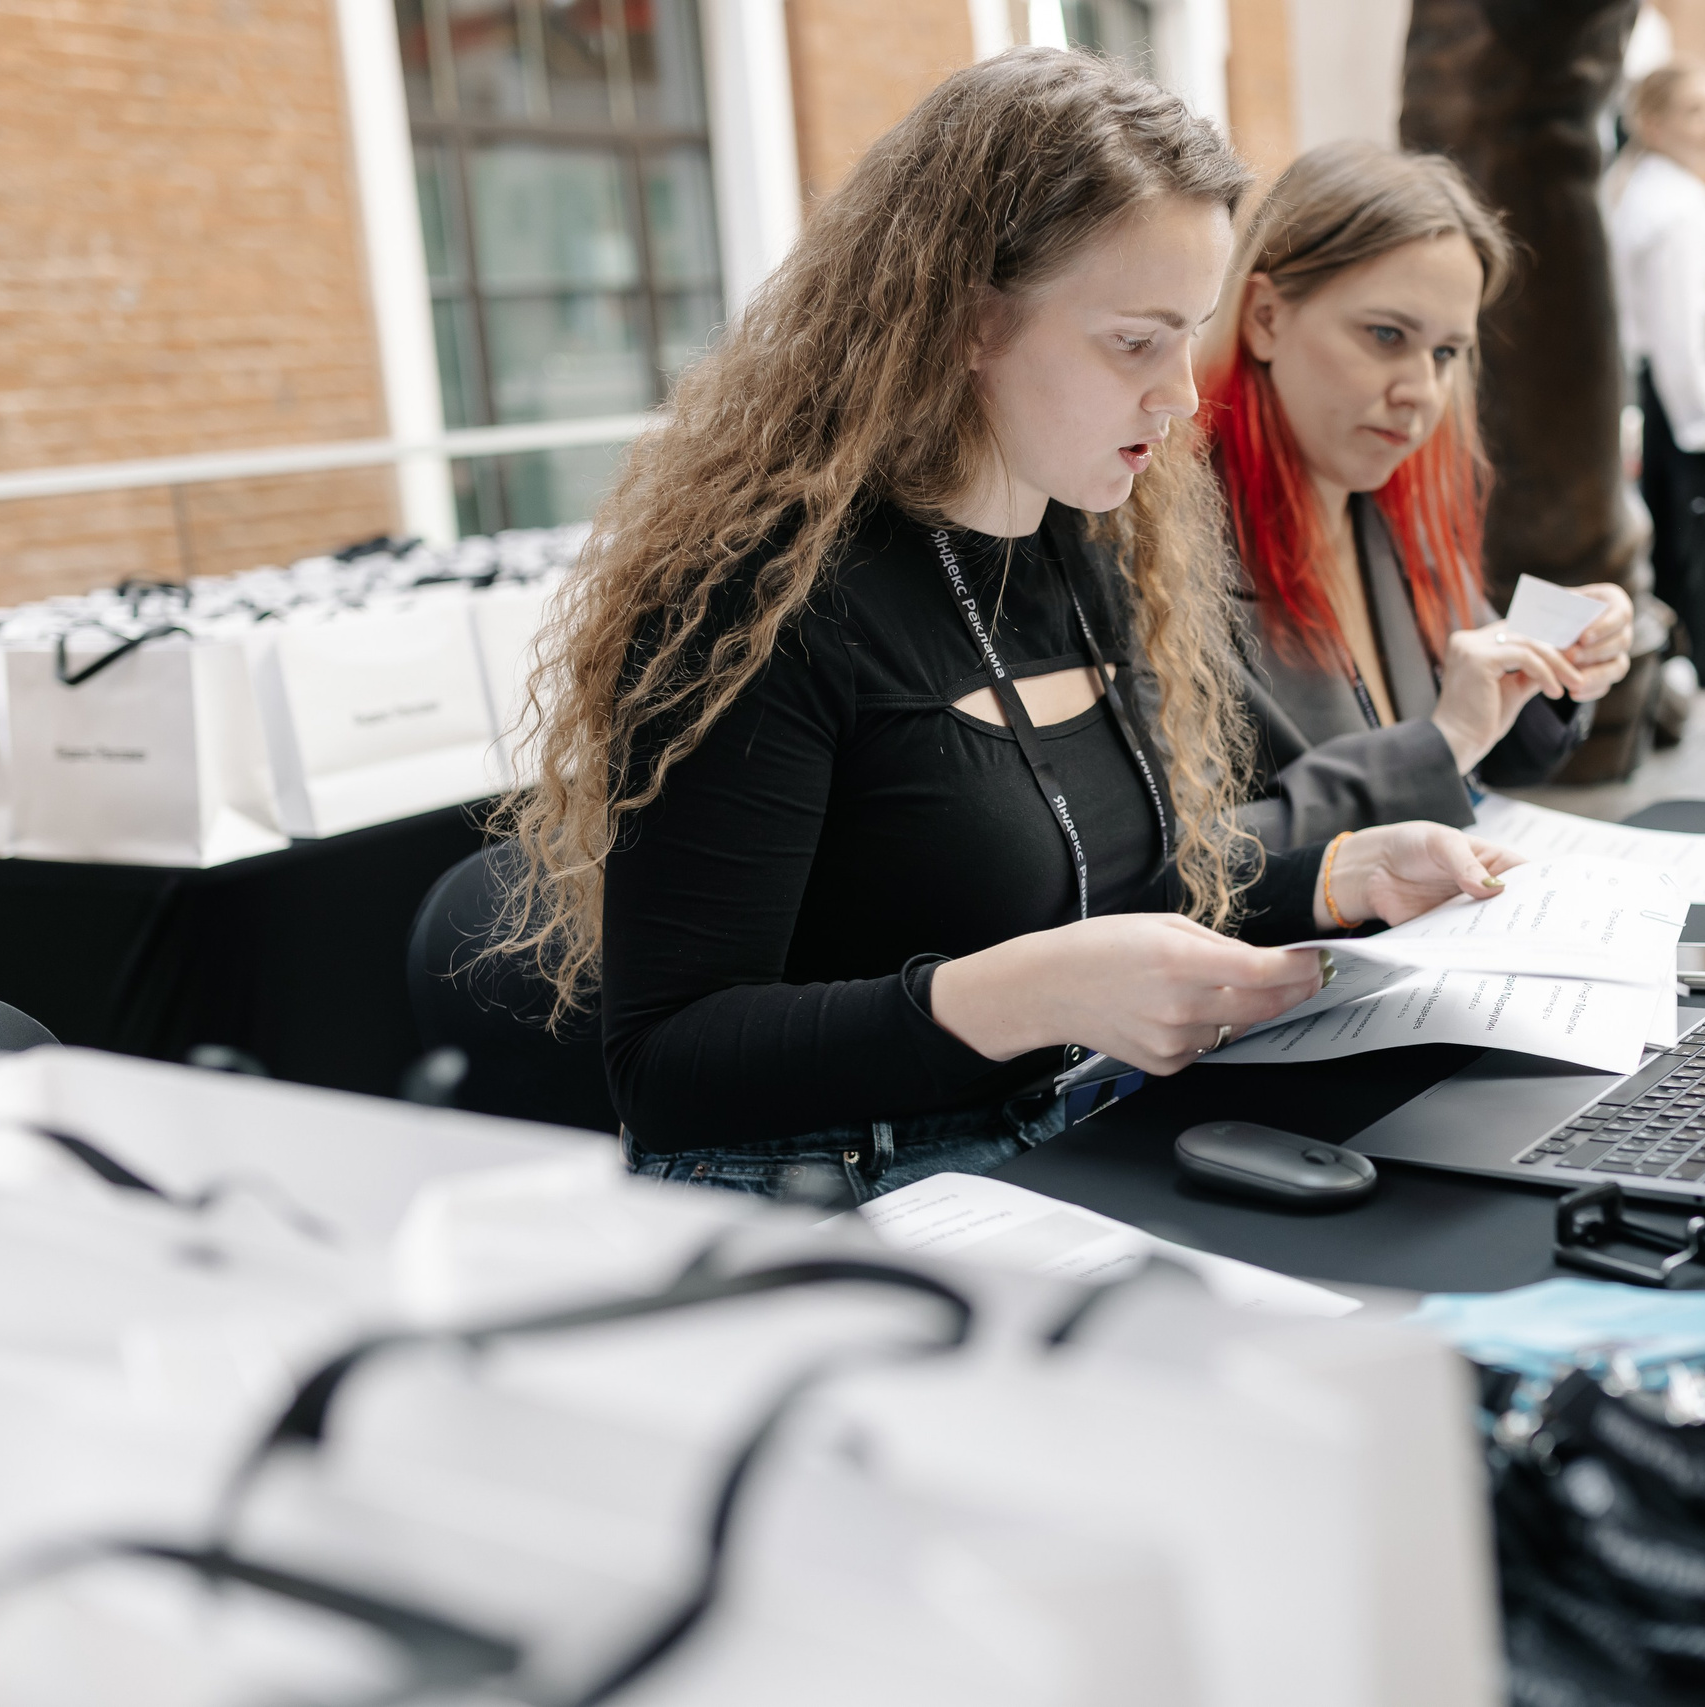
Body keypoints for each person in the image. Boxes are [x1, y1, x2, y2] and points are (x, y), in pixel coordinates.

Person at [493, 51, 1519, 1202]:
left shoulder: (1085, 539)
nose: (1183, 391)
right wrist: (1014, 999)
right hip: (851, 1209)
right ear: (973, 322)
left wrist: (1330, 876)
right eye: (1135, 341)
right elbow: (669, 1069)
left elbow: (1094, 885)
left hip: (1070, 1153)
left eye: (1190, 333)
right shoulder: (757, 596)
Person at [1203, 142, 1636, 850]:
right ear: (1265, 318)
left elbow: (1503, 748)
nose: (1422, 393)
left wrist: (1559, 652)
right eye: (1385, 335)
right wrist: (1442, 743)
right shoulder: (1168, 553)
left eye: (1444, 354)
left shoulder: (1398, 511)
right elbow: (1182, 862)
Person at [1606, 59, 1705, 678]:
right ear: (1652, 123)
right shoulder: (1666, 210)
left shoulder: (1661, 192)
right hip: (1694, 420)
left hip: (1691, 410)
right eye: (1694, 111)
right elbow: (1678, 348)